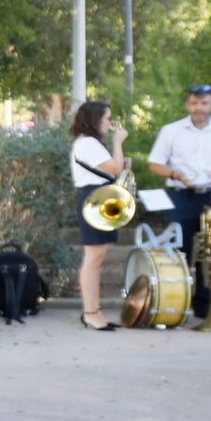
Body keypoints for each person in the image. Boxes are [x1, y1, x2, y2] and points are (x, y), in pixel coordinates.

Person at [147, 85, 211, 317]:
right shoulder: (171, 131)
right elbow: (155, 164)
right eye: (194, 103)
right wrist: (176, 175)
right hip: (181, 195)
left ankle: (204, 307)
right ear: (187, 105)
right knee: (178, 251)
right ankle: (176, 302)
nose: (199, 108)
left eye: (204, 103)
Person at [70, 100, 130, 330]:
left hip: (101, 197)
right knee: (94, 257)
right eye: (107, 118)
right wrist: (118, 143)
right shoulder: (87, 144)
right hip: (94, 199)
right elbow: (114, 169)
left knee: (98, 257)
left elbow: (112, 168)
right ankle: (90, 312)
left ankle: (95, 311)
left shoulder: (91, 143)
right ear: (95, 120)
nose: (111, 123)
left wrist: (121, 161)